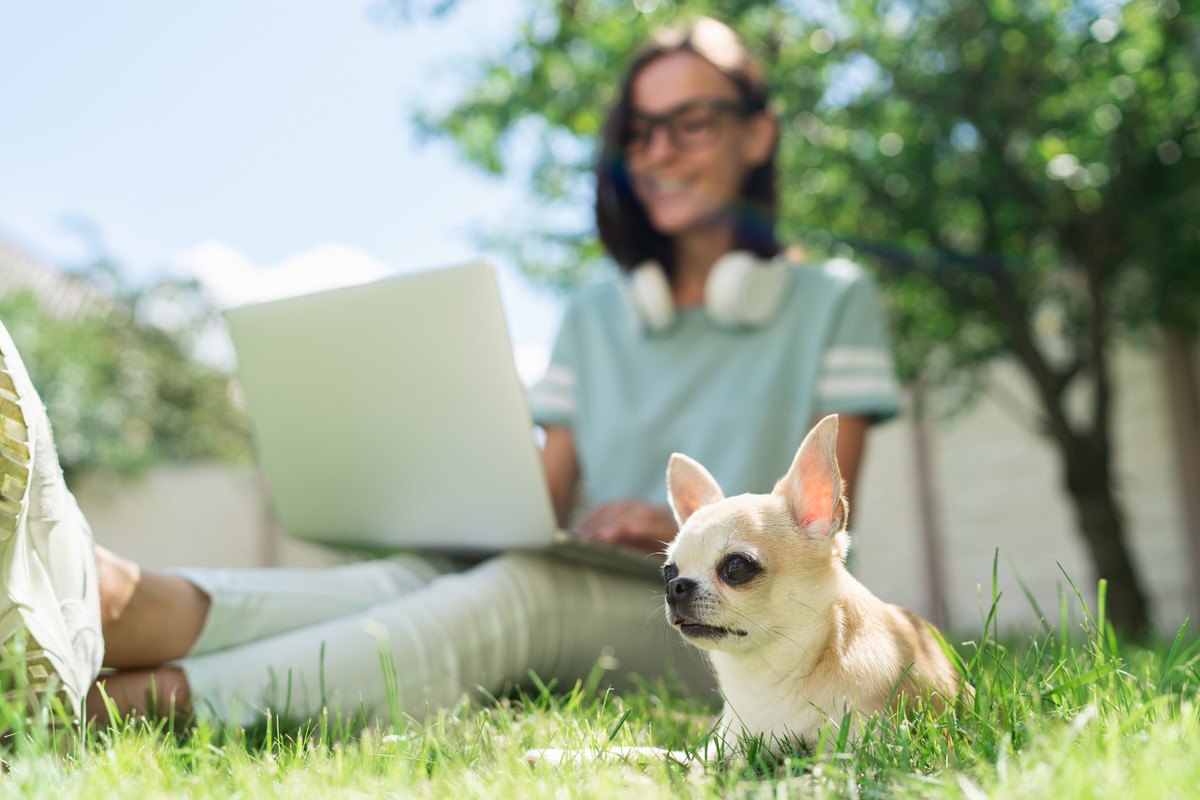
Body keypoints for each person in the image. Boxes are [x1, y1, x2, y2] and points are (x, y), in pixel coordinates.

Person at [0, 16, 899, 726]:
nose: (659, 150)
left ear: (759, 131)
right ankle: (108, 598)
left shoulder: (833, 302)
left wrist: (702, 541)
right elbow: (539, 514)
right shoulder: (595, 318)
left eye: (690, 121)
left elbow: (817, 538)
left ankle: (109, 708)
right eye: (642, 131)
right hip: (606, 575)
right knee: (417, 577)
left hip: (744, 626)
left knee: (519, 594)